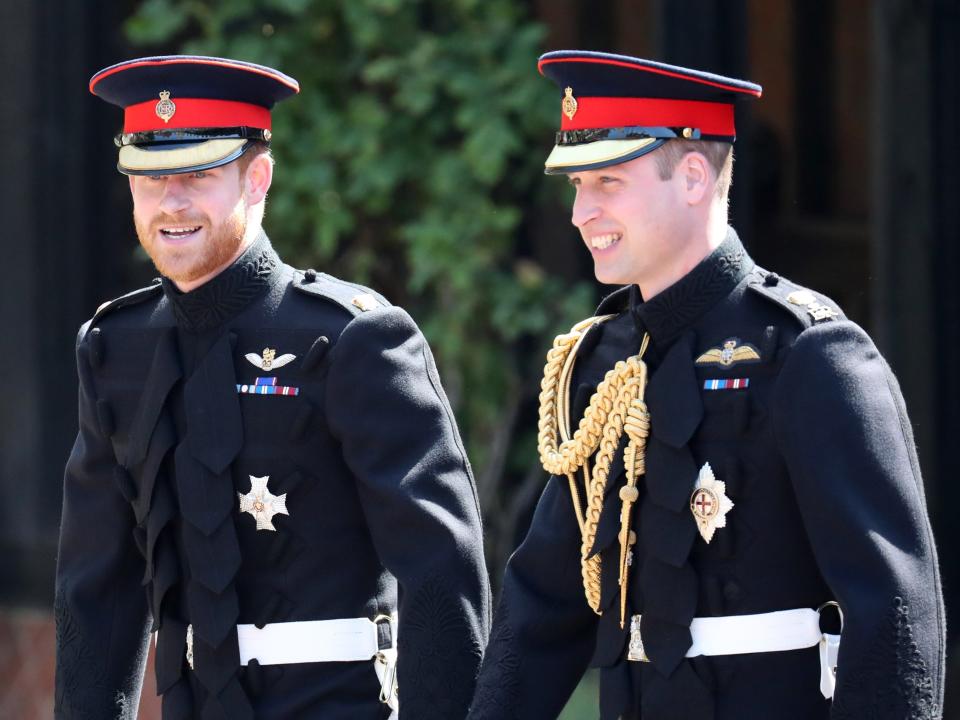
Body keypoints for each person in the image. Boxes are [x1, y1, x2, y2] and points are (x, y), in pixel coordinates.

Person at [467, 50, 945, 720]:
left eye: (606, 182)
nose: (581, 213)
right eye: (576, 187)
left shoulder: (810, 352)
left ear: (693, 176)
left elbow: (893, 611)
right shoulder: (603, 361)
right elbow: (543, 609)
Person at [54, 55, 491, 720]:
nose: (171, 202)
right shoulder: (115, 347)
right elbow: (98, 590)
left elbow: (441, 571)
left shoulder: (352, 339)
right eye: (150, 177)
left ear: (256, 179)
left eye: (198, 174)